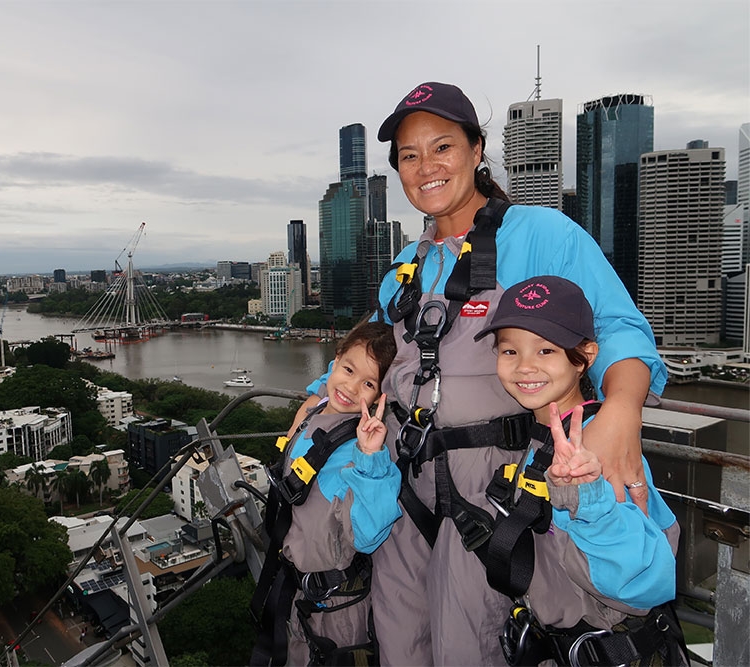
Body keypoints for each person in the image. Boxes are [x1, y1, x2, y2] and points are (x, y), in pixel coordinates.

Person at [297, 81, 667, 664]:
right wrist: (322, 395)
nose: (427, 167)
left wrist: (621, 412)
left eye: (442, 147)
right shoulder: (405, 266)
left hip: (491, 496)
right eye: (410, 156)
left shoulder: (542, 235)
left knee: (472, 645)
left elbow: (620, 327)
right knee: (401, 643)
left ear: (476, 151)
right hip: (403, 493)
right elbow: (373, 348)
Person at [473, 275, 687, 665]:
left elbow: (647, 582)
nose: (525, 367)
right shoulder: (533, 437)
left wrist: (591, 502)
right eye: (509, 352)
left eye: (546, 351)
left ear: (585, 355)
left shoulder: (600, 446)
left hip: (612, 651)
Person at [251, 321, 402, 666]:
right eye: (348, 369)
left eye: (368, 383)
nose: (350, 387)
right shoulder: (317, 412)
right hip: (298, 592)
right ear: (334, 362)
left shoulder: (359, 452)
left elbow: (367, 536)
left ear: (381, 397)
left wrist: (370, 460)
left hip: (336, 608)